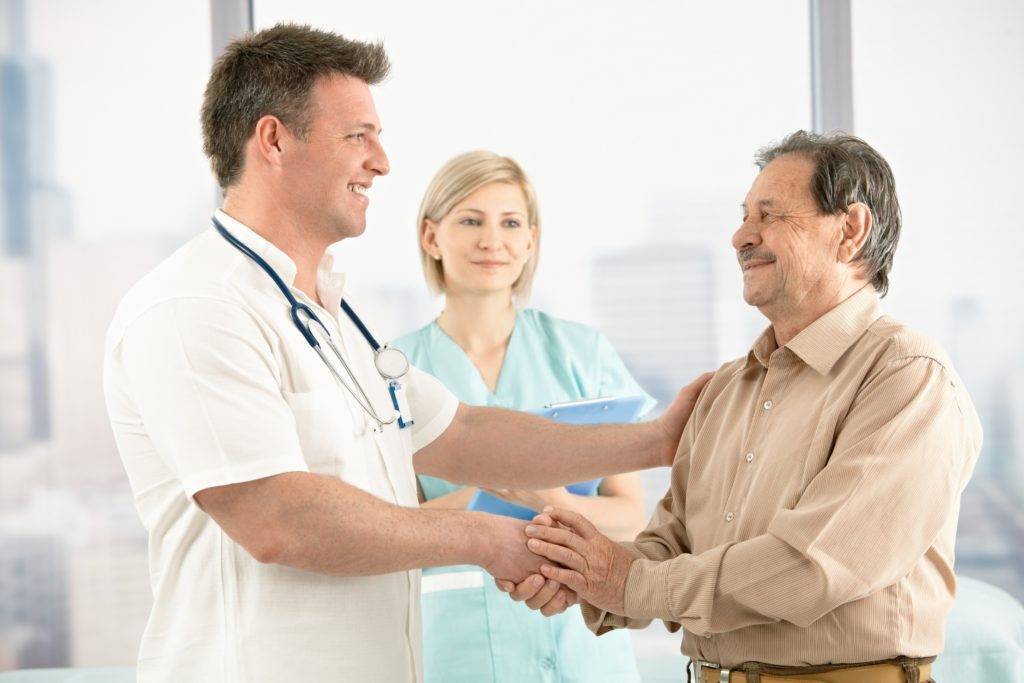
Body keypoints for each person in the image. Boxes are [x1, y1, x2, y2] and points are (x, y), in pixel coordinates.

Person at [102, 24, 709, 683]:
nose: (382, 162)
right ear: (273, 139)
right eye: (357, 136)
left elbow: (466, 432)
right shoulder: (198, 307)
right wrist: (484, 538)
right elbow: (278, 517)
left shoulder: (335, 321)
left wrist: (657, 441)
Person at [506, 131, 983, 683]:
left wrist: (625, 582)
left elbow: (809, 570)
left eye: (769, 215)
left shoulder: (906, 377)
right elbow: (672, 543)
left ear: (850, 230)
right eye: (743, 215)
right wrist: (576, 570)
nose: (739, 236)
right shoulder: (727, 387)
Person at [393, 150, 650, 682]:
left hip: (582, 644)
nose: (493, 241)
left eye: (510, 222)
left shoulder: (583, 353)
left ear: (530, 240)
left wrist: (553, 504)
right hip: (455, 649)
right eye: (470, 220)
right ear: (430, 236)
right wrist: (494, 496)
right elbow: (392, 530)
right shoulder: (392, 371)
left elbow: (630, 514)